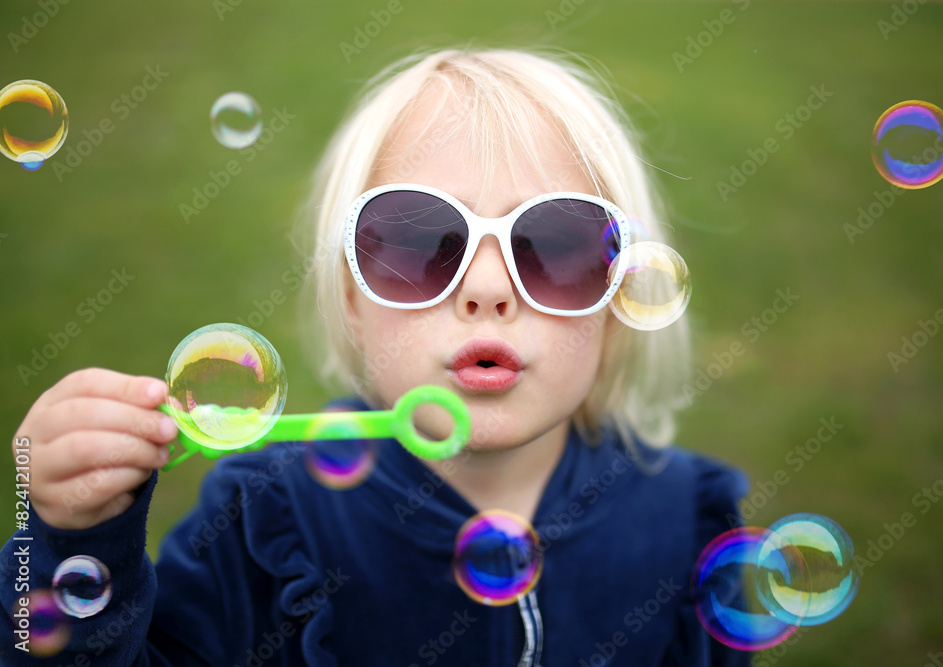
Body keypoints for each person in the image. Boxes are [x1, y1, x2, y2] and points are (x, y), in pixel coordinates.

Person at [1, 48, 748, 665]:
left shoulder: (683, 521)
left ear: (620, 297)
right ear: (353, 298)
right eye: (421, 242)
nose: (487, 288)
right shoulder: (268, 518)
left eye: (555, 245)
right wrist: (71, 537)